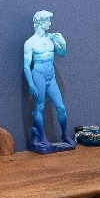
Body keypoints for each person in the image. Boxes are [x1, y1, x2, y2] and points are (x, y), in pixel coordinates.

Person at [23, 11, 72, 153]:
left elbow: (62, 53)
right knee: (40, 107)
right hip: (38, 75)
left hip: (51, 77)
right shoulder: (30, 43)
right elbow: (26, 66)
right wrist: (31, 84)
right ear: (40, 22)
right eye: (48, 21)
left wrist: (63, 43)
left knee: (61, 107)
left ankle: (64, 134)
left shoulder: (51, 38)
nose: (50, 23)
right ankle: (40, 136)